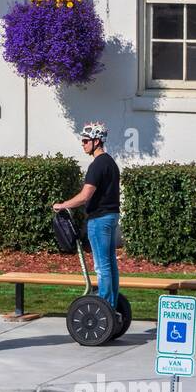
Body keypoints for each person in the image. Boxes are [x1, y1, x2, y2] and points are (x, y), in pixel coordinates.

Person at [53, 121, 121, 313]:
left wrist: (62, 205)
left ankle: (105, 306)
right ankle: (112, 304)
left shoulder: (97, 165)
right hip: (111, 217)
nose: (82, 144)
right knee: (110, 264)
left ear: (97, 141)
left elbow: (85, 196)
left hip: (99, 220)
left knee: (102, 266)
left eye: (85, 141)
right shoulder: (110, 163)